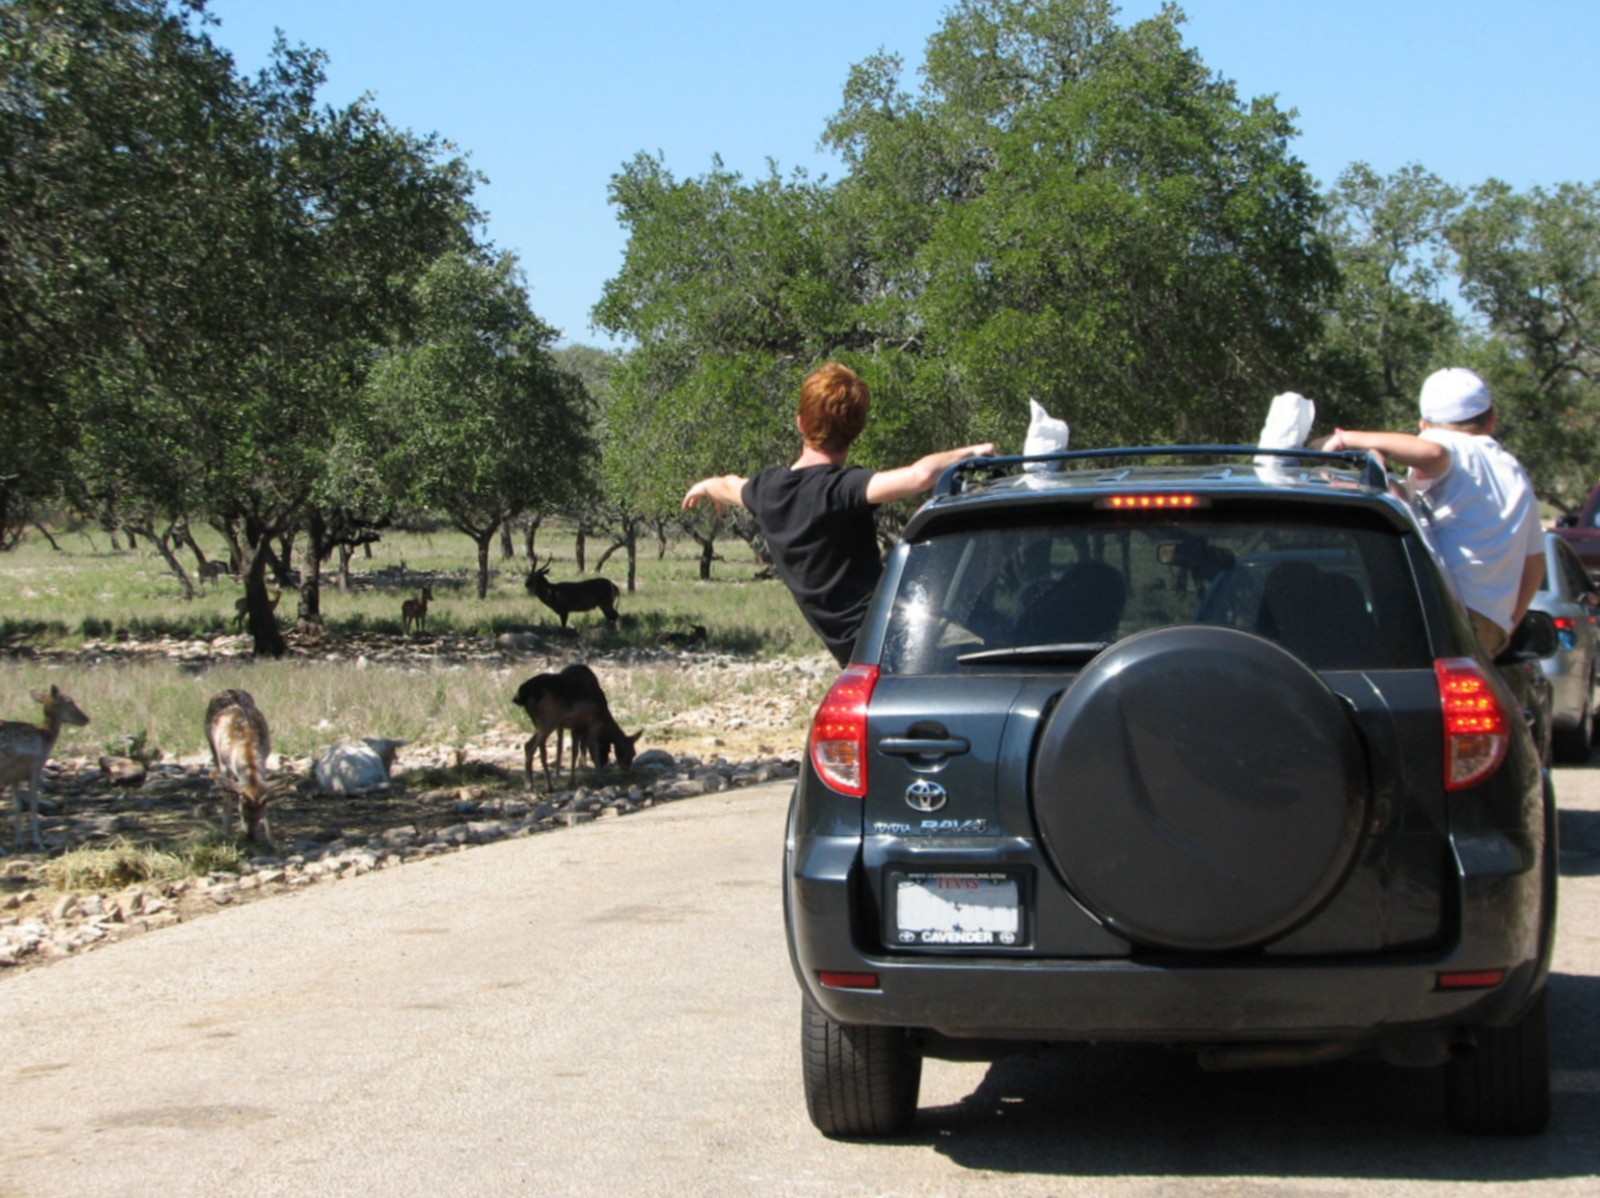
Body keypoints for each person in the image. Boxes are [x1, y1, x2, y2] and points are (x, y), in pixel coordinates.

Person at [682, 361, 995, 666]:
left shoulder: (769, 490)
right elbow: (920, 475)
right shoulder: (844, 489)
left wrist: (705, 486)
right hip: (901, 639)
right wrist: (974, 452)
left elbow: (728, 484)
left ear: (800, 422)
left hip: (860, 654)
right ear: (857, 429)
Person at [1317, 367, 1543, 659]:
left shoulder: (1452, 448)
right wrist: (1508, 623)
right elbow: (1534, 564)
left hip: (1446, 612)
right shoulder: (1514, 471)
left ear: (1424, 426)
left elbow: (1435, 454)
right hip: (1492, 623)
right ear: (1492, 420)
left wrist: (1344, 439)